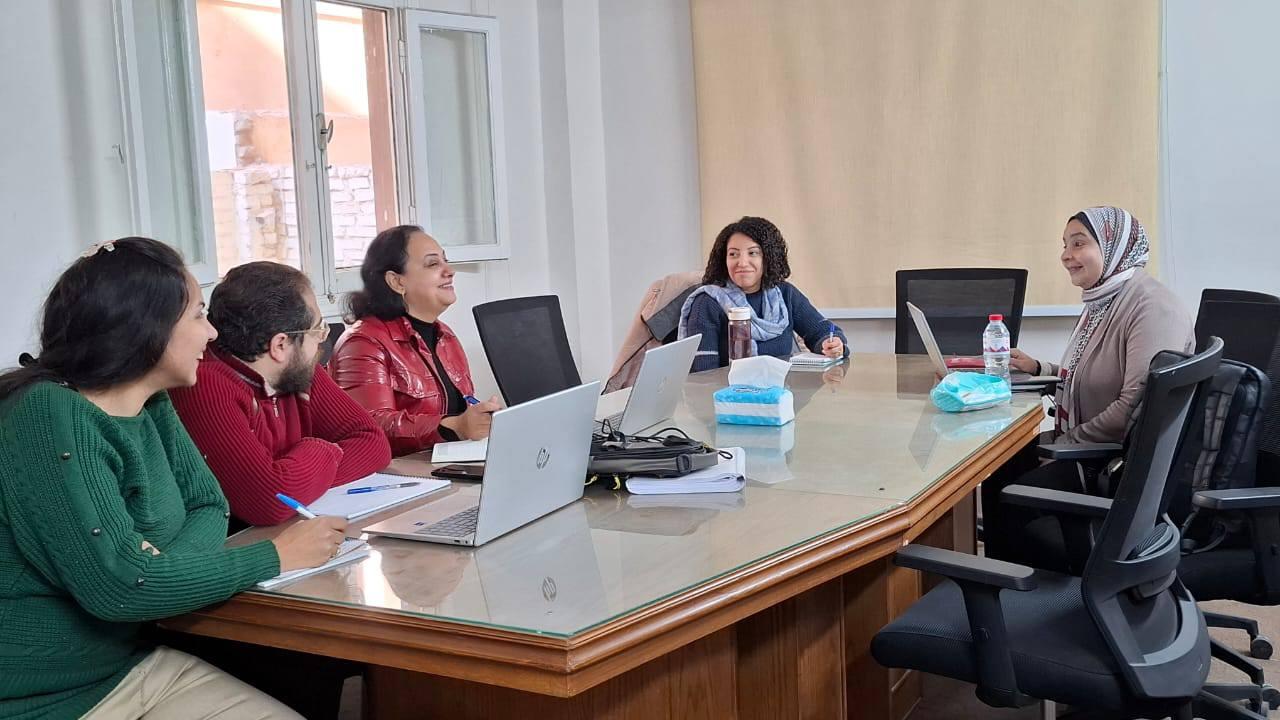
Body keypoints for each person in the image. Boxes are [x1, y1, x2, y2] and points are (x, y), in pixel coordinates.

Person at [0, 237, 345, 719]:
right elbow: (122, 588)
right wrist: (276, 556)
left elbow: (209, 505)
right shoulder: (48, 414)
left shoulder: (152, 401)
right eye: (198, 315)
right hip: (44, 701)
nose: (211, 332)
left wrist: (157, 567)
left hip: (127, 666)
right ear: (147, 326)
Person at [983, 206, 1194, 565]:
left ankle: (1034, 588)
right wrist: (1039, 368)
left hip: (1118, 467)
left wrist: (1065, 443)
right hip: (1098, 449)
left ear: (1114, 247)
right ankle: (1003, 583)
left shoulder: (1152, 308)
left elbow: (1135, 408)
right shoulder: (1105, 301)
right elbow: (1096, 376)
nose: (1066, 255)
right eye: (1065, 245)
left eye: (1078, 243)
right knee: (999, 470)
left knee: (1009, 493)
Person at [170, 262, 391, 526]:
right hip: (247, 544)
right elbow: (269, 501)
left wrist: (291, 475)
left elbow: (373, 443)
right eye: (317, 330)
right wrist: (322, 449)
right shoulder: (204, 384)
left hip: (294, 532)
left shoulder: (295, 369)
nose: (321, 340)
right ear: (280, 345)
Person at [330, 225, 500, 456]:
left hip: (443, 463)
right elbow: (370, 427)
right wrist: (454, 426)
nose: (449, 271)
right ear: (396, 282)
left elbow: (462, 409)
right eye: (433, 264)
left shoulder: (445, 336)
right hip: (396, 472)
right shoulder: (362, 342)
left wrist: (481, 419)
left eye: (446, 261)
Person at [678, 216, 849, 372]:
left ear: (768, 257)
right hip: (730, 394)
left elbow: (821, 331)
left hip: (781, 391)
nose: (742, 262)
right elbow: (703, 377)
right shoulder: (707, 303)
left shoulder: (785, 294)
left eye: (753, 253)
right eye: (733, 254)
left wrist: (832, 344)